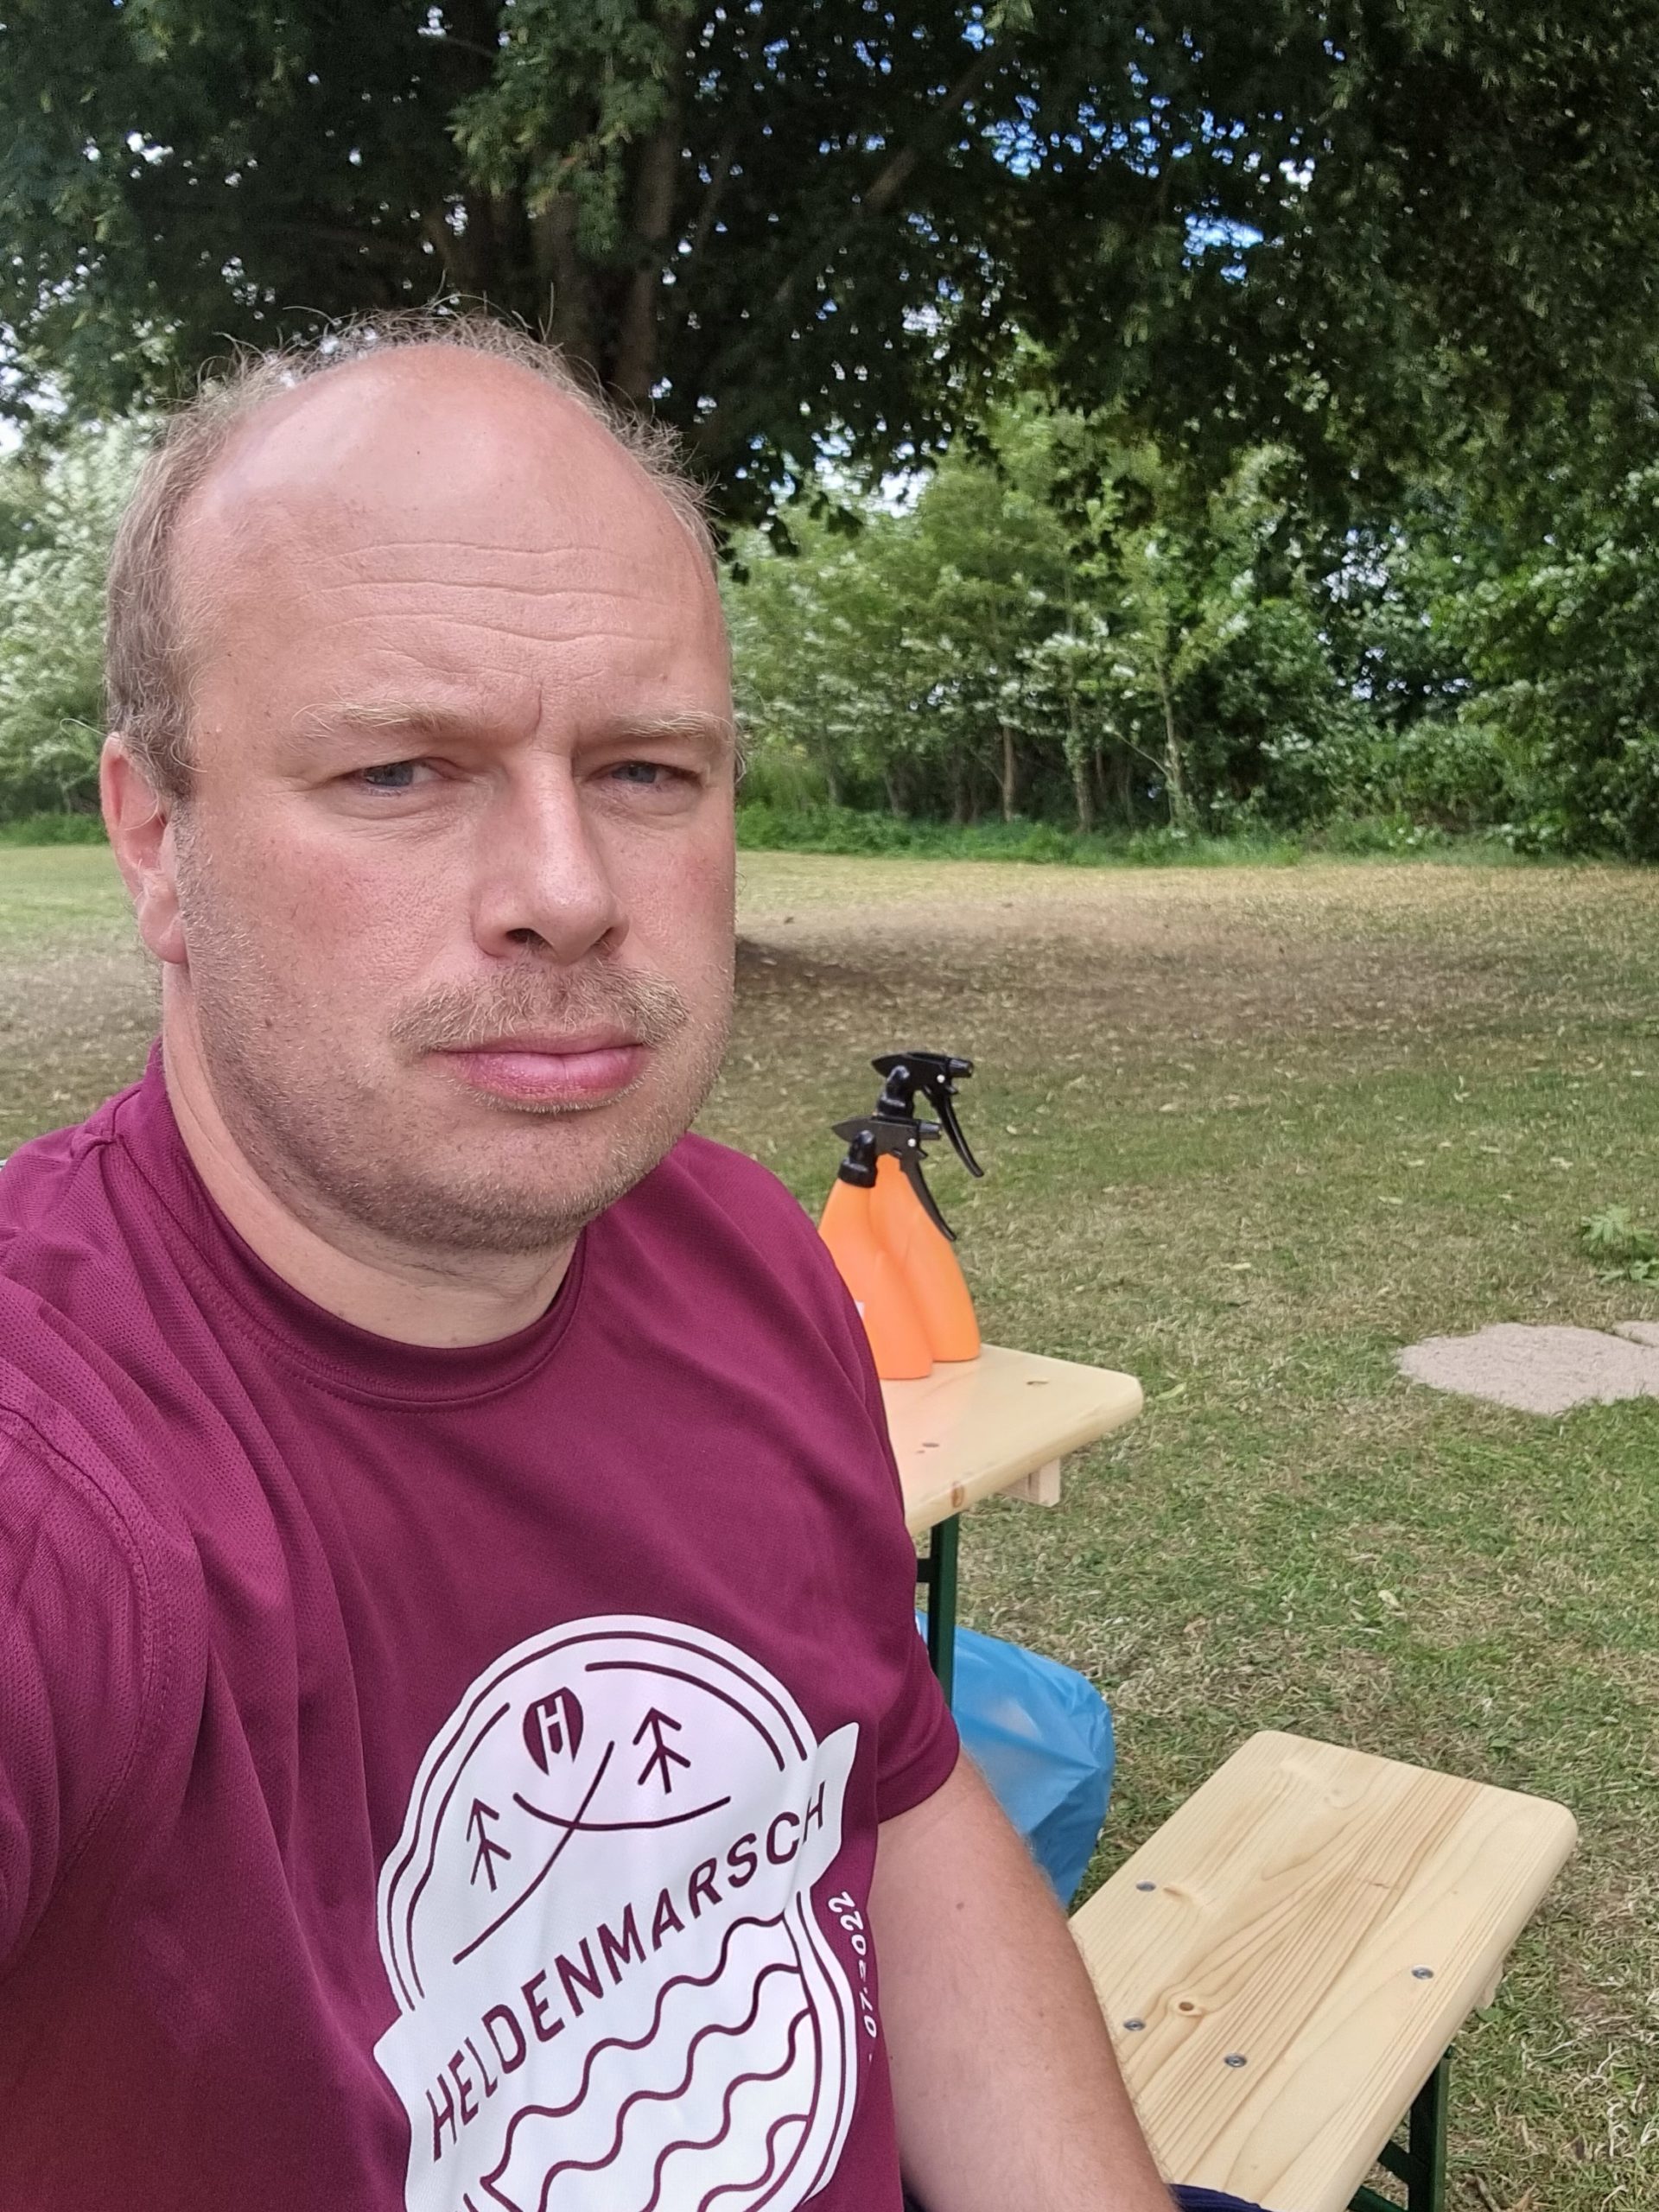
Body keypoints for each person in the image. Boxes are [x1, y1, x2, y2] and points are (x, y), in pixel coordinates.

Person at [0, 315, 1265, 2212]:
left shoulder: (745, 1256)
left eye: (648, 770)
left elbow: (895, 1788)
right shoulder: (61, 1482)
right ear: (156, 842)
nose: (569, 890)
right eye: (402, 769)